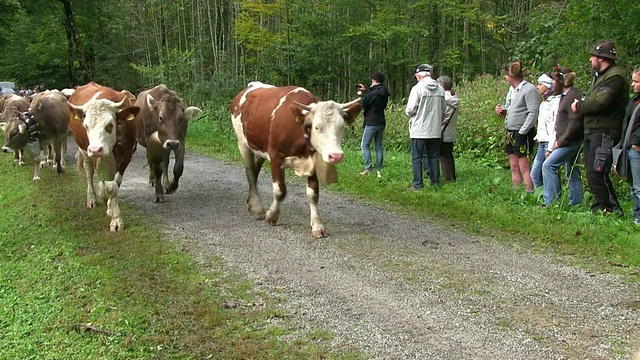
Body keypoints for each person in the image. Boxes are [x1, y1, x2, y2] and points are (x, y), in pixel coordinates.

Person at [571, 41, 629, 215]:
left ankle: (612, 210)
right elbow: (593, 100)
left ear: (602, 58)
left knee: (598, 172)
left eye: (593, 56)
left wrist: (579, 106)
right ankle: (600, 209)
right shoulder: (601, 75)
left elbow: (599, 103)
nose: (590, 59)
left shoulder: (615, 77)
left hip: (604, 131)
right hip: (592, 130)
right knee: (591, 172)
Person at [541, 67, 584, 207]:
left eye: (554, 81)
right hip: (568, 140)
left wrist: (561, 141)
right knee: (573, 172)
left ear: (561, 81)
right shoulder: (565, 95)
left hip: (571, 141)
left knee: (548, 165)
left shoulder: (573, 95)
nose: (553, 84)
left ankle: (551, 202)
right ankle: (575, 204)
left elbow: (575, 122)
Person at [494, 60, 539, 193]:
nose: (505, 78)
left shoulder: (529, 89)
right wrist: (502, 110)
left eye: (506, 75)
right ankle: (516, 192)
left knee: (524, 165)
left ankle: (529, 192)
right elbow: (510, 107)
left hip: (522, 132)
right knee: (513, 165)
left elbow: (533, 112)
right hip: (510, 131)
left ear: (512, 76)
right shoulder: (511, 90)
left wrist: (523, 131)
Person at [405, 63, 445, 190]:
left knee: (417, 158)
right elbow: (443, 109)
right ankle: (435, 182)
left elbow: (410, 109)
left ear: (419, 76)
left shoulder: (417, 89)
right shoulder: (440, 89)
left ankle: (417, 184)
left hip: (419, 129)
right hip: (435, 129)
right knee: (433, 157)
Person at [357, 72, 390, 178]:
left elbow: (363, 103)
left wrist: (362, 94)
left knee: (364, 145)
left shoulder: (372, 94)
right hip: (381, 121)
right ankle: (378, 168)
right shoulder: (384, 92)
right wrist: (366, 91)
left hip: (371, 121)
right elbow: (373, 97)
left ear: (374, 80)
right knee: (378, 146)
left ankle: (368, 168)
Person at [530, 73, 560, 189]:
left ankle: (552, 199)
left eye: (540, 84)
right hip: (542, 142)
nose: (537, 87)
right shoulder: (544, 102)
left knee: (547, 171)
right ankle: (543, 196)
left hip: (549, 143)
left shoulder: (555, 101)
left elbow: (554, 125)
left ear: (548, 85)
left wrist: (550, 147)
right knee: (535, 173)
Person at [619, 67, 640, 224]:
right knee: (633, 185)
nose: (633, 84)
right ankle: (636, 215)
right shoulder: (633, 100)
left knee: (639, 186)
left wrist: (636, 142)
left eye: (636, 81)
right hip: (628, 147)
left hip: (636, 148)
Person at [436, 75, 459, 182]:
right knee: (448, 155)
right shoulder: (454, 98)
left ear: (441, 85)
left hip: (442, 131)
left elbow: (440, 116)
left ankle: (448, 178)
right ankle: (451, 176)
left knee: (443, 156)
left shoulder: (443, 99)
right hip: (450, 131)